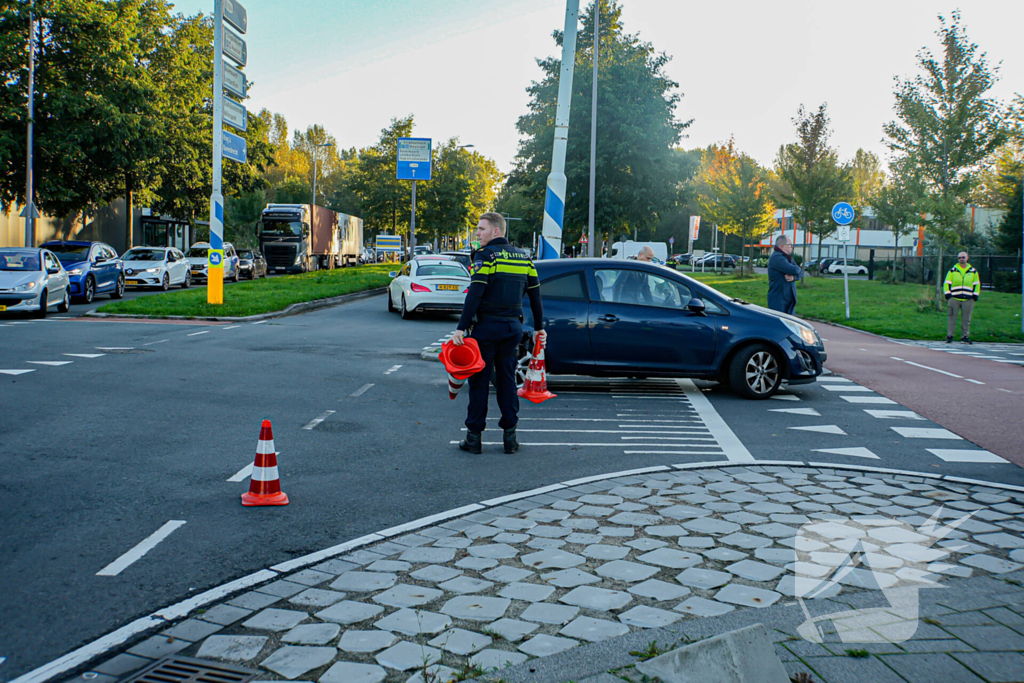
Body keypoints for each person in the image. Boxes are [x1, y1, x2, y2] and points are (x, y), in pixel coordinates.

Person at [452, 212, 546, 455]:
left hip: (487, 329)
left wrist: (460, 328)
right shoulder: (523, 258)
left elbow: (475, 293)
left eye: (481, 229)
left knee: (479, 383)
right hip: (512, 328)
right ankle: (510, 438)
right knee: (506, 381)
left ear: (496, 231)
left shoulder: (486, 256)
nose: (477, 233)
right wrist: (539, 328)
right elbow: (535, 295)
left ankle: (473, 439)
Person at [943, 251, 980, 344]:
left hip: (968, 299)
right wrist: (947, 294)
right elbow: (947, 283)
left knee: (966, 318)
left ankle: (965, 336)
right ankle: (950, 335)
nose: (961, 259)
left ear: (967, 258)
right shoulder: (953, 270)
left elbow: (977, 284)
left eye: (963, 257)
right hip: (954, 298)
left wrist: (975, 294)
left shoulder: (973, 271)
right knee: (951, 317)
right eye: (959, 258)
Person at [767, 235, 802, 314]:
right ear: (783, 246)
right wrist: (797, 270)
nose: (792, 247)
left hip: (788, 300)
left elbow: (800, 272)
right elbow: (794, 269)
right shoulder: (776, 258)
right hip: (779, 301)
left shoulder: (788, 257)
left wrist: (794, 277)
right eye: (790, 245)